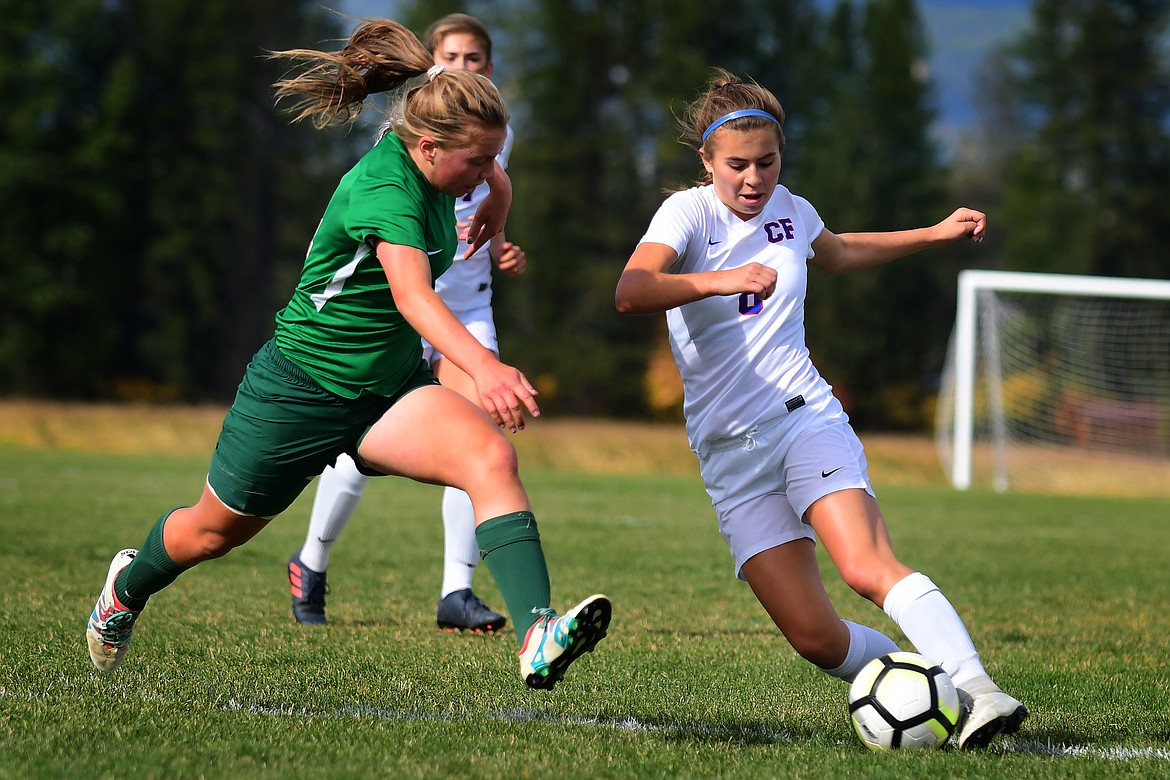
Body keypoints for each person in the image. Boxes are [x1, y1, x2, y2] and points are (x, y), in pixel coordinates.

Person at [85, 18, 611, 692]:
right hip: (299, 389)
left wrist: (499, 202)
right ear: (427, 147)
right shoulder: (386, 190)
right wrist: (485, 366)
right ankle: (124, 588)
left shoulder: (453, 167)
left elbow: (494, 180)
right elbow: (415, 300)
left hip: (385, 390)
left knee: (490, 458)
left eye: (493, 161)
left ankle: (539, 634)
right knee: (211, 535)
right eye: (477, 164)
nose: (486, 175)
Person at [614, 69, 1026, 748]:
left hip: (804, 417)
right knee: (814, 637)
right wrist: (721, 279)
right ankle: (926, 690)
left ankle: (979, 691)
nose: (753, 180)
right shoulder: (686, 213)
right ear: (706, 162)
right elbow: (631, 290)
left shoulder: (794, 210)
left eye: (767, 163)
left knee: (865, 565)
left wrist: (932, 232)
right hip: (728, 454)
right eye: (737, 166)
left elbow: (835, 253)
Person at [288, 13, 525, 635]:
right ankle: (311, 560)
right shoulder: (411, 145)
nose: (464, 66)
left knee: (478, 443)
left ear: (489, 69)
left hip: (465, 310)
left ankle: (457, 591)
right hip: (399, 310)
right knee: (355, 443)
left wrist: (502, 235)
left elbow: (491, 189)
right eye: (452, 55)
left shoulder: (491, 136)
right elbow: (404, 256)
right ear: (431, 65)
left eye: (476, 58)